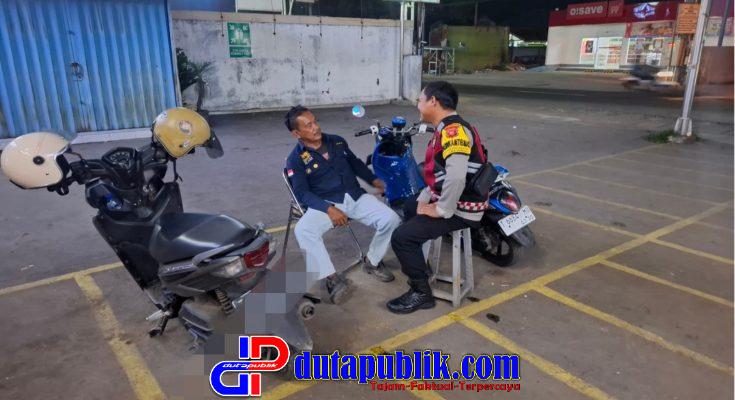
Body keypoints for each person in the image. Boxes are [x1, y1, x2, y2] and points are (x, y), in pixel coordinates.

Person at [387, 81, 489, 314]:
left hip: (463, 208)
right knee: (410, 205)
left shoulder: (453, 131)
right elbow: (439, 175)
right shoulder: (446, 127)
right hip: (457, 199)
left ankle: (421, 293)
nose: (418, 105)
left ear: (433, 101)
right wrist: (425, 199)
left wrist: (440, 209)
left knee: (401, 238)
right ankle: (419, 264)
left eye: (420, 100)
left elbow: (456, 177)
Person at [285, 105, 401, 304]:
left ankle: (372, 261)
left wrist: (374, 180)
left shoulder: (337, 141)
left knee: (391, 219)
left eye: (315, 121)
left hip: (354, 196)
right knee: (303, 230)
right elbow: (302, 193)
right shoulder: (295, 159)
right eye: (308, 125)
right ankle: (331, 278)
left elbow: (355, 163)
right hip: (327, 202)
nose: (315, 127)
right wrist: (329, 209)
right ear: (296, 133)